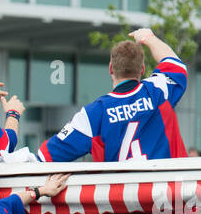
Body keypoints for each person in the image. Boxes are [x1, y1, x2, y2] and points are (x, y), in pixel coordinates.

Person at [31, 28, 188, 163]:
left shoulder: (94, 113)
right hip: (165, 195)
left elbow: (46, 157)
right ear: (142, 69)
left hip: (121, 196)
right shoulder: (158, 90)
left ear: (111, 68)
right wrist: (148, 37)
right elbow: (175, 64)